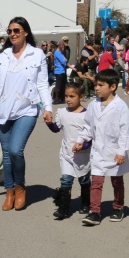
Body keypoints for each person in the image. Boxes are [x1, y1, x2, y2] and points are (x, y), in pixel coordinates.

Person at [0, 17, 53, 211]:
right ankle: (9, 191)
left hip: (26, 109)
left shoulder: (37, 54)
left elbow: (42, 84)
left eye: (17, 30)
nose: (13, 34)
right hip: (2, 111)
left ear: (26, 32)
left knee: (16, 150)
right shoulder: (3, 56)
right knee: (7, 154)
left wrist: (48, 108)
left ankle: (20, 186)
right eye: (9, 31)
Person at [77, 69, 129, 226]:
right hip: (98, 151)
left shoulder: (120, 106)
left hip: (114, 152)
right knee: (96, 182)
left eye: (101, 85)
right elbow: (87, 126)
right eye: (96, 85)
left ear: (113, 87)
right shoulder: (93, 105)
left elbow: (125, 131)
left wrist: (122, 151)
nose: (97, 88)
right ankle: (95, 212)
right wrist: (81, 140)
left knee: (116, 181)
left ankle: (118, 207)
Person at [45, 82, 91, 220]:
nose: (68, 99)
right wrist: (49, 123)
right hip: (66, 154)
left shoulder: (87, 115)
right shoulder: (62, 112)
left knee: (84, 180)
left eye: (72, 96)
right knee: (65, 180)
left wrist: (83, 146)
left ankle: (86, 203)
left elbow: (91, 138)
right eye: (66, 96)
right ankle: (63, 208)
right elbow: (56, 129)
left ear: (81, 97)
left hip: (83, 156)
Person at [52, 39, 70, 104]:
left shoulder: (60, 53)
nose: (63, 47)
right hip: (59, 71)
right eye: (62, 45)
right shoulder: (57, 53)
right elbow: (63, 61)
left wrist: (65, 61)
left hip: (62, 71)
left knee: (62, 86)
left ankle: (61, 98)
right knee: (58, 86)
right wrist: (65, 61)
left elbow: (65, 60)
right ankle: (56, 99)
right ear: (59, 46)